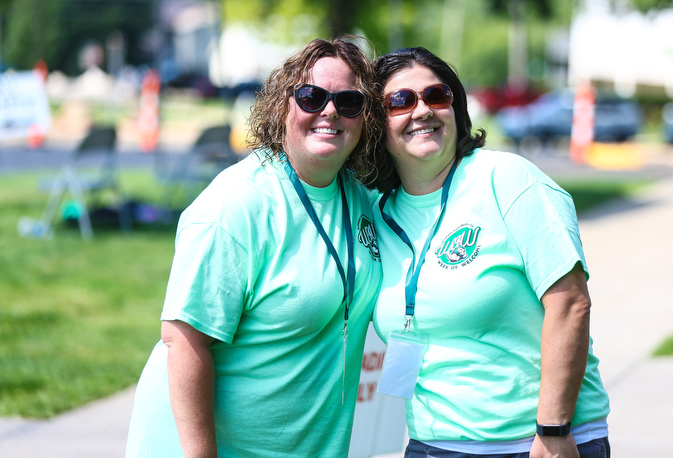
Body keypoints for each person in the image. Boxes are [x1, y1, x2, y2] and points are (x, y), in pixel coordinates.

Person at [125, 37, 384, 457]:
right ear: (283, 106)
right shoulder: (236, 205)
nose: (330, 110)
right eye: (311, 96)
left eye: (349, 101)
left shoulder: (359, 199)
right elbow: (183, 341)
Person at [369, 47, 611, 458]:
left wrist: (552, 433)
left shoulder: (508, 179)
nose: (422, 110)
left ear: (456, 107)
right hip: (433, 444)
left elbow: (570, 303)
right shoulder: (377, 213)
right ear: (377, 125)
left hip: (537, 442)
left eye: (437, 95)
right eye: (400, 101)